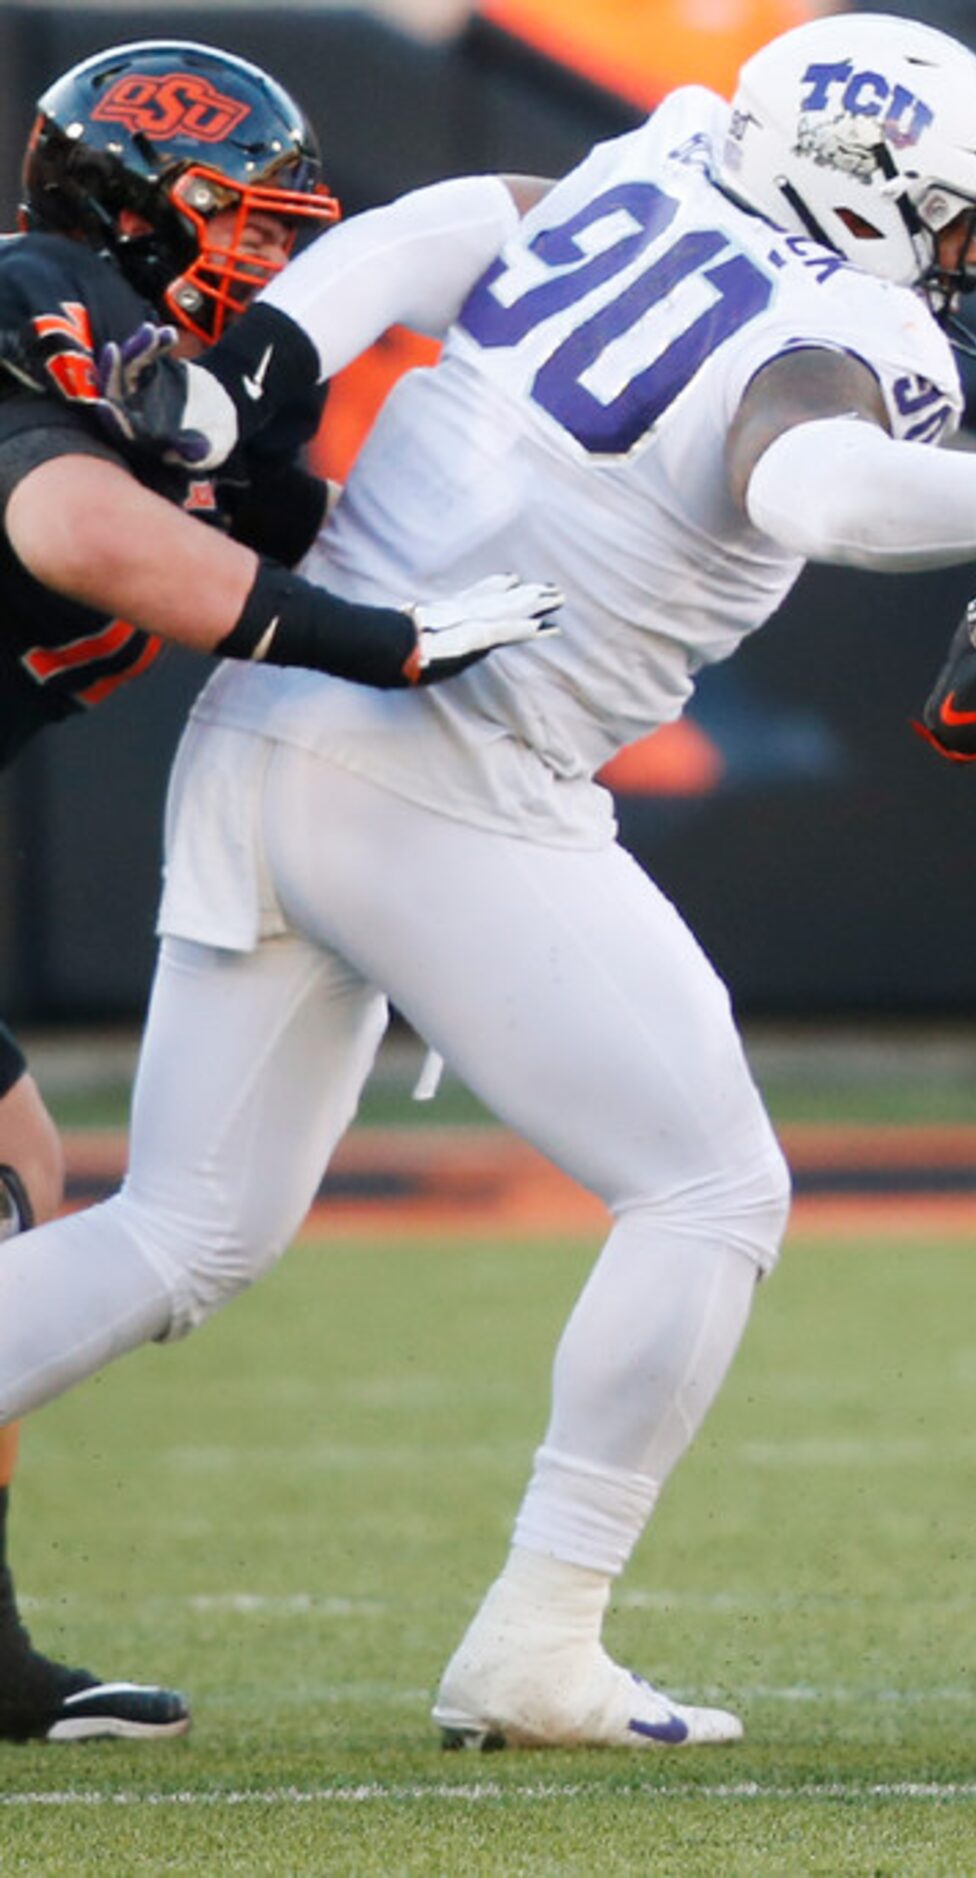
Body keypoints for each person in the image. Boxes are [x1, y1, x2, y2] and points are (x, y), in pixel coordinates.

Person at [0, 12, 976, 1749]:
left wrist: (273, 339)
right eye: (952, 218)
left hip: (265, 732)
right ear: (861, 194)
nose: (969, 261)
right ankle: (539, 1635)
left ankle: (540, 1643)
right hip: (448, 760)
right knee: (712, 1190)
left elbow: (454, 220)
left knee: (184, 1229)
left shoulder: (650, 167)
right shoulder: (834, 322)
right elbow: (826, 488)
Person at [0, 38, 569, 1742]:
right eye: (235, 225)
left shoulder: (198, 396)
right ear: (127, 205)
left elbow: (316, 530)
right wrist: (377, 644)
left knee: (21, 1179)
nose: (262, 264)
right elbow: (81, 535)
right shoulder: (38, 291)